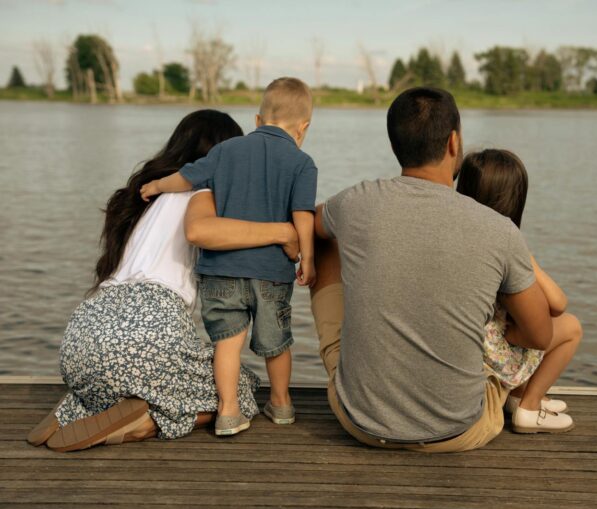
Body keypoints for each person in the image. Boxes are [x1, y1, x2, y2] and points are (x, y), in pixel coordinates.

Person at [26, 109, 300, 452]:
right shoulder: (204, 191)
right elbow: (202, 230)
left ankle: (78, 407)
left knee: (131, 373)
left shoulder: (144, 201)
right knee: (240, 389)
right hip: (146, 330)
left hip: (81, 334)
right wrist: (283, 231)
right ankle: (145, 423)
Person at [308, 87, 553, 452]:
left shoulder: (356, 201)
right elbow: (540, 336)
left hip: (357, 421)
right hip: (459, 432)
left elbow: (312, 224)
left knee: (325, 243)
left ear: (396, 145)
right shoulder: (498, 229)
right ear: (454, 142)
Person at [140, 77, 318, 434]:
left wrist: (157, 185)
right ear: (304, 127)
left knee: (227, 343)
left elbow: (188, 179)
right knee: (276, 342)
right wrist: (308, 260)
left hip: (221, 271)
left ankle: (228, 412)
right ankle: (282, 405)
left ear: (256, 120)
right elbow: (303, 215)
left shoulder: (226, 151)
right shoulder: (302, 163)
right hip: (271, 272)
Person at [456, 149, 583, 433]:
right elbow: (558, 303)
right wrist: (530, 260)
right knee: (571, 327)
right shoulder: (507, 245)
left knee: (521, 327)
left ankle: (516, 398)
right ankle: (529, 407)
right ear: (515, 200)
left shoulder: (458, 239)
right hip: (493, 359)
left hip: (468, 351)